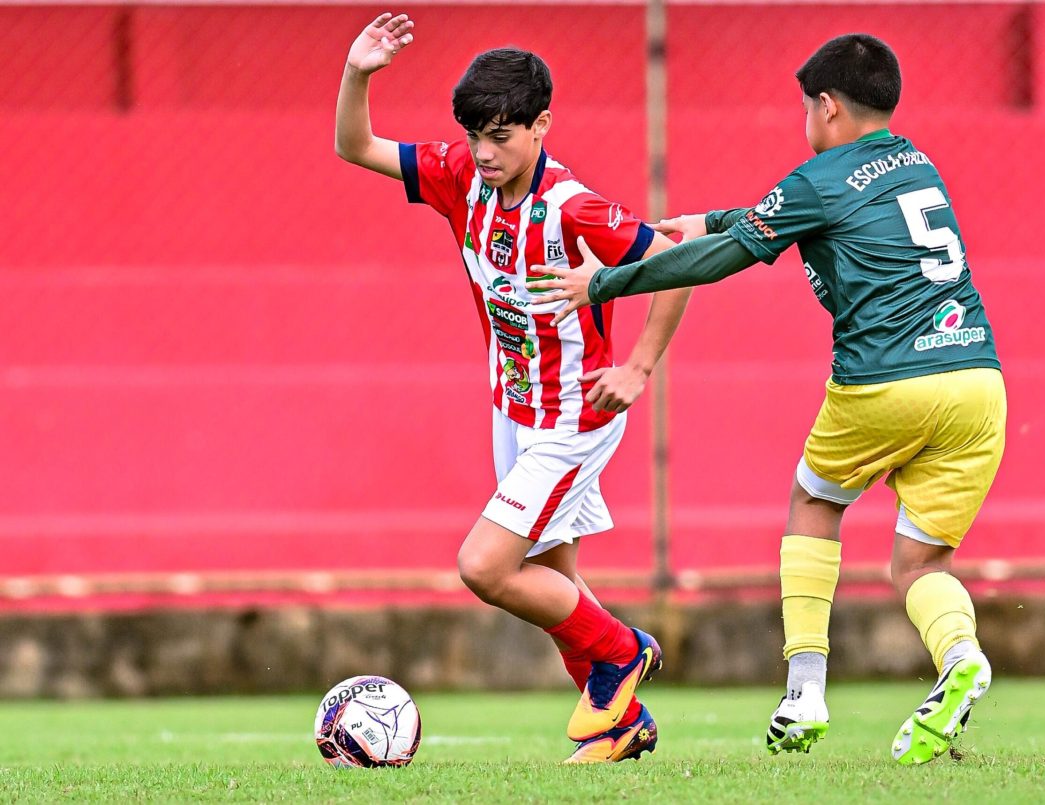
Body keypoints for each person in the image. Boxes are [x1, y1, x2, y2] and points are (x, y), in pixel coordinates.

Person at [529, 32, 1005, 765]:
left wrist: (604, 282)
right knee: (919, 566)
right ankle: (961, 656)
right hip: (978, 381)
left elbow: (730, 256)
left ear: (826, 106)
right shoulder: (919, 163)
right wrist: (706, 222)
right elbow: (775, 221)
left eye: (804, 110)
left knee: (815, 503)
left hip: (885, 381)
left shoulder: (819, 176)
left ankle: (805, 689)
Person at [334, 12, 692, 763]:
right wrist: (359, 72)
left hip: (573, 418)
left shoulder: (570, 206)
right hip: (513, 412)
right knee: (554, 585)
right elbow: (354, 146)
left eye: (502, 134)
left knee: (486, 566)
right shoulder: (461, 178)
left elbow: (672, 261)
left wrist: (638, 368)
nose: (485, 151)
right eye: (475, 135)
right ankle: (622, 728)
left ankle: (626, 652)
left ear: (541, 126)